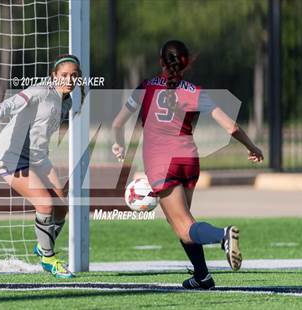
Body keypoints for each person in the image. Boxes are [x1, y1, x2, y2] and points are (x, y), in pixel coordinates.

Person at [111, 40, 263, 289]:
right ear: (186, 63)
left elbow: (118, 124)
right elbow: (231, 127)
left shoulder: (145, 87)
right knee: (182, 222)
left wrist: (118, 145)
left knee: (183, 226)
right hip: (188, 160)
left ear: (161, 61)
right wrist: (252, 147)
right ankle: (202, 276)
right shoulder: (195, 91)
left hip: (162, 163)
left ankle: (222, 236)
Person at [0, 54, 85, 279]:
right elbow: (11, 103)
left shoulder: (67, 101)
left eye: (74, 75)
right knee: (45, 204)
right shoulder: (39, 92)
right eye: (64, 75)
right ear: (54, 76)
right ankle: (48, 258)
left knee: (62, 207)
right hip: (11, 156)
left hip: (37, 158)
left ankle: (42, 245)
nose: (69, 79)